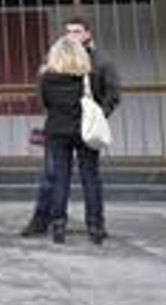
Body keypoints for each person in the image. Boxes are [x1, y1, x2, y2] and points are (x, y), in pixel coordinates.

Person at [21, 17, 121, 238]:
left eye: (77, 31)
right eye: (68, 31)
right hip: (67, 128)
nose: (72, 35)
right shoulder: (57, 64)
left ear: (88, 34)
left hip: (66, 128)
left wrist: (97, 118)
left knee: (68, 178)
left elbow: (112, 94)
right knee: (61, 176)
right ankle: (47, 221)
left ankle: (63, 224)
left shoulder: (100, 62)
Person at [38, 35, 115, 244]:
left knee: (60, 178)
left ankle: (59, 225)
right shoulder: (86, 77)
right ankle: (95, 225)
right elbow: (99, 100)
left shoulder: (45, 78)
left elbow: (45, 104)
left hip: (56, 132)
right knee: (90, 177)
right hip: (83, 131)